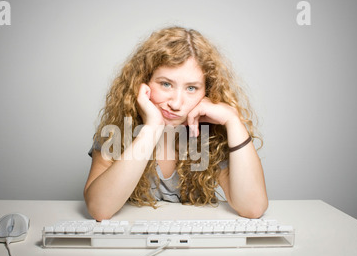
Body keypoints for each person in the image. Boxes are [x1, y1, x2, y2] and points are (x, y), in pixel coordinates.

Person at [84, 26, 268, 221]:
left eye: (191, 88)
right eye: (165, 84)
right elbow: (100, 209)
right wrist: (152, 127)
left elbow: (253, 208)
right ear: (142, 83)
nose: (176, 103)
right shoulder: (117, 131)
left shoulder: (210, 136)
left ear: (207, 91)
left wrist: (232, 121)